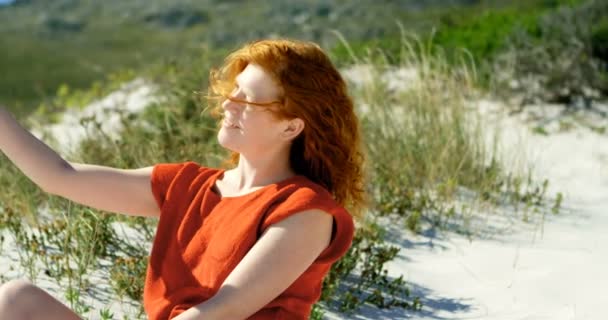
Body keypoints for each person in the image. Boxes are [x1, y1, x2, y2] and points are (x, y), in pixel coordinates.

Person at [0, 38, 366, 319]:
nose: (227, 104)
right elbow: (59, 177)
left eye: (247, 100)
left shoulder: (306, 212)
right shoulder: (186, 186)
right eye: (231, 93)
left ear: (291, 126)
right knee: (16, 299)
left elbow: (222, 311)